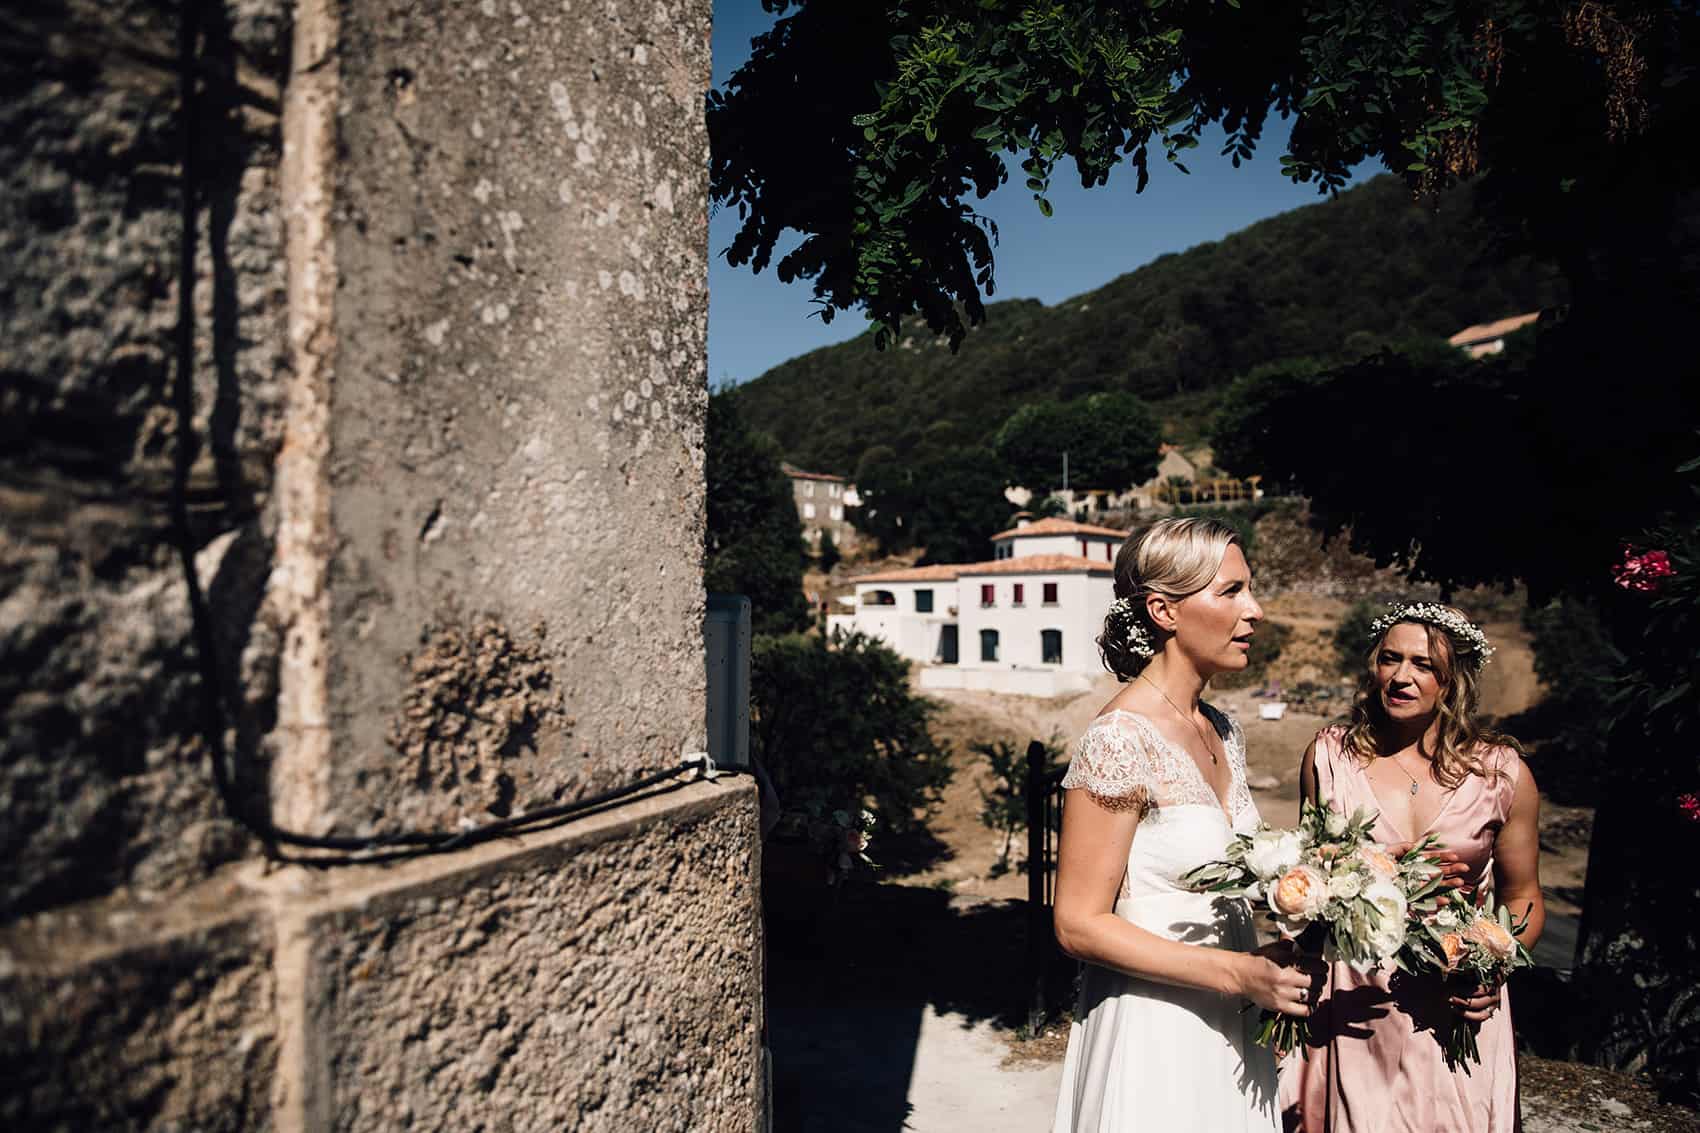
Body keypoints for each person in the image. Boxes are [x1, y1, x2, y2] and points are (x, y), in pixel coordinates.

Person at [1052, 517, 1307, 1132]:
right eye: (1232, 592)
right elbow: (1077, 925)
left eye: (1251, 589)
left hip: (1231, 1025)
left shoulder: (1222, 728)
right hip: (1153, 1031)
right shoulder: (1118, 739)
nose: (1256, 611)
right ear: (1164, 609)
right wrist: (1236, 973)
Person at [1283, 603, 1544, 1133]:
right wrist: (1368, 873)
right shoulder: (1328, 758)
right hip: (1352, 995)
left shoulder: (1502, 774)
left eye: (1424, 665)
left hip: (1452, 996)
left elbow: (1525, 897)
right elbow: (1307, 884)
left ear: (1455, 681)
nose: (1402, 676)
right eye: (1390, 659)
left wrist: (1492, 969)